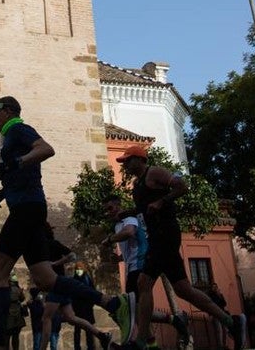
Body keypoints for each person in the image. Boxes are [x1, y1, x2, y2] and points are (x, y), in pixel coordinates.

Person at [0, 96, 135, 350]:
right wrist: (5, 188)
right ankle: (112, 303)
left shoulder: (19, 129)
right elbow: (23, 172)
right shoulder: (11, 137)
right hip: (28, 206)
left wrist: (13, 163)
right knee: (45, 279)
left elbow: (46, 149)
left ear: (8, 111)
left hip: (26, 209)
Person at [115, 145, 245, 350]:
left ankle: (140, 342)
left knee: (143, 282)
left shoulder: (155, 172)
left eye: (128, 160)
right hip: (157, 237)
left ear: (140, 159)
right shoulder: (138, 184)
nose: (126, 165)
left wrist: (162, 201)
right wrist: (126, 212)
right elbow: (144, 209)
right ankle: (231, 321)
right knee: (184, 289)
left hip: (165, 234)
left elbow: (182, 186)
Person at [100, 194, 190, 348]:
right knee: (138, 312)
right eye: (106, 210)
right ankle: (160, 336)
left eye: (110, 208)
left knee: (133, 311)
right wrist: (120, 259)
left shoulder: (128, 219)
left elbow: (130, 232)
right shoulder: (116, 226)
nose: (109, 212)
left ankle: (168, 323)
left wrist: (109, 240)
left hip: (140, 266)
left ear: (118, 205)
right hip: (132, 268)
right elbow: (133, 246)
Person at [39, 226, 112, 350]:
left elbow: (72, 256)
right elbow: (72, 256)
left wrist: (55, 263)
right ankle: (102, 335)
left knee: (46, 318)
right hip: (62, 286)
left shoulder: (49, 245)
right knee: (71, 318)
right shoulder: (48, 245)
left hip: (56, 285)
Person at [70, 262, 99, 350]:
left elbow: (92, 291)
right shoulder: (74, 279)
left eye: (80, 268)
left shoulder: (87, 279)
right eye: (77, 269)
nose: (79, 270)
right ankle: (77, 347)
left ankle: (90, 346)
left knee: (88, 329)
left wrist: (91, 303)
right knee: (77, 330)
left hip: (86, 307)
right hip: (78, 308)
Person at [7, 275, 27, 350]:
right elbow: (22, 299)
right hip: (18, 316)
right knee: (16, 338)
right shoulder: (18, 290)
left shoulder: (6, 290)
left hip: (9, 316)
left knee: (7, 338)